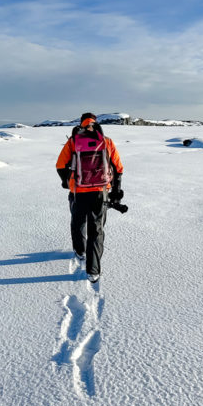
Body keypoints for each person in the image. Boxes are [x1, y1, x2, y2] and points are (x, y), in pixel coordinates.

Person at [55, 113, 125, 283]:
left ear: (81, 123)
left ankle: (80, 252)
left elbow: (60, 165)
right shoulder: (106, 141)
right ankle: (93, 271)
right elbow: (118, 168)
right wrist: (116, 190)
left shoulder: (73, 141)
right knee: (96, 229)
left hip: (78, 191)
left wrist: (66, 182)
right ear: (95, 122)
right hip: (100, 191)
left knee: (78, 222)